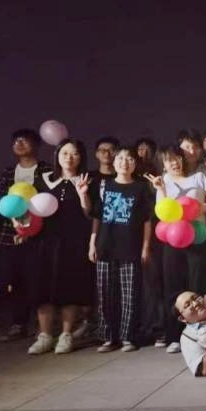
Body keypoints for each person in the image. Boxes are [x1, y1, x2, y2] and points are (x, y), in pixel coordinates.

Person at [145, 145, 206, 353]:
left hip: (197, 237)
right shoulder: (162, 181)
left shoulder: (199, 178)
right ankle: (175, 336)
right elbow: (162, 211)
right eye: (169, 160)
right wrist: (161, 189)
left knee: (198, 284)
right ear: (163, 164)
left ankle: (203, 334)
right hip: (173, 239)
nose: (174, 163)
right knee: (173, 286)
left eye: (176, 158)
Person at [25, 139, 95, 355]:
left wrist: (83, 194)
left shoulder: (87, 180)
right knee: (44, 288)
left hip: (74, 242)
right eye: (64, 153)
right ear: (57, 155)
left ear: (81, 157)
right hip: (45, 241)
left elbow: (90, 214)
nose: (69, 158)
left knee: (70, 287)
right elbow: (32, 209)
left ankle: (66, 335)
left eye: (75, 153)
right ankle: (45, 336)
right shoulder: (43, 180)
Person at [89, 146, 152, 353]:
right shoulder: (104, 185)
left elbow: (147, 221)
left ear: (135, 163)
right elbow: (97, 217)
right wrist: (92, 243)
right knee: (104, 294)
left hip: (130, 247)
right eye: (120, 158)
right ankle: (108, 337)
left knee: (129, 294)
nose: (125, 162)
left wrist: (145, 247)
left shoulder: (141, 188)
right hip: (105, 245)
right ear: (114, 162)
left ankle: (128, 337)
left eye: (130, 159)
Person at [0, 129, 51, 341]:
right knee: (13, 280)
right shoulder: (8, 173)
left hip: (40, 235)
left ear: (36, 145)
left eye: (24, 140)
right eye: (16, 141)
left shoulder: (46, 170)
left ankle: (42, 325)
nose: (19, 144)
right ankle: (18, 323)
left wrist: (29, 228)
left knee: (38, 280)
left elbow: (47, 201)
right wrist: (17, 225)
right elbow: (2, 202)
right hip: (11, 234)